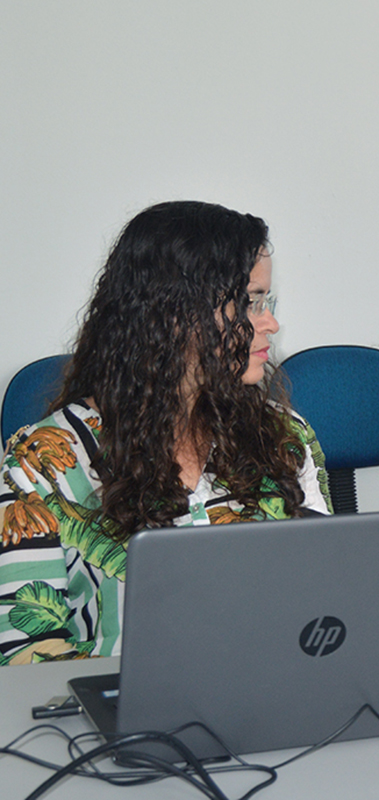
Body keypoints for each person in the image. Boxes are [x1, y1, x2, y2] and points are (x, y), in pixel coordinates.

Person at [0, 201, 331, 665]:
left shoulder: (283, 436)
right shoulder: (46, 460)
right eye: (251, 302)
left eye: (267, 301)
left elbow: (329, 602)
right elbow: (20, 646)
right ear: (176, 313)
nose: (270, 323)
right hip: (118, 717)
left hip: (269, 693)